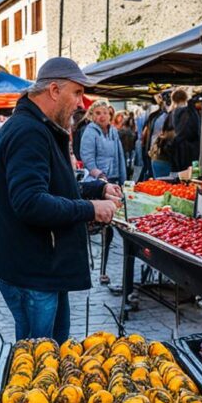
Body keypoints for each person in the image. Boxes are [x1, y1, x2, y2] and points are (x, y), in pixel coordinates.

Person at [0, 57, 121, 342]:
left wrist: (96, 191)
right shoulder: (29, 131)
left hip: (42, 267)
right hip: (32, 270)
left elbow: (53, 186)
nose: (81, 104)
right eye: (76, 93)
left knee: (53, 354)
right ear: (53, 90)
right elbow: (30, 202)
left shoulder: (38, 127)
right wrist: (90, 209)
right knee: (36, 362)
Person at [80, 100, 127, 286]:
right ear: (92, 115)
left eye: (105, 113)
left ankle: (105, 269)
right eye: (97, 113)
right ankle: (98, 270)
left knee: (115, 227)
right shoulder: (90, 132)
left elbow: (120, 156)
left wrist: (123, 180)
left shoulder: (114, 131)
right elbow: (88, 159)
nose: (102, 116)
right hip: (97, 183)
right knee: (100, 227)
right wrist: (100, 177)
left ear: (110, 114)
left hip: (114, 180)